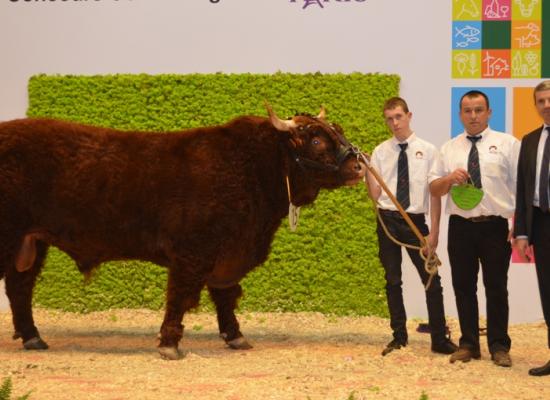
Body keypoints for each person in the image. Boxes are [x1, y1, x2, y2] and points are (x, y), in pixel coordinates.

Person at [429, 90, 520, 367]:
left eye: (479, 110)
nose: (473, 116)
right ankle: (469, 343)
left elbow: (520, 187)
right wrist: (448, 179)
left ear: (489, 112)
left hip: (495, 227)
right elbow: (434, 189)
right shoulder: (448, 148)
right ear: (460, 115)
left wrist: (518, 225)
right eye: (467, 111)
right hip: (460, 227)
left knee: (496, 287)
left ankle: (499, 346)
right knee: (463, 286)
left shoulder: (508, 144)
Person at [365, 97, 457, 356]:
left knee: (432, 279)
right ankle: (399, 337)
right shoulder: (380, 152)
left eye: (398, 117)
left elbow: (435, 195)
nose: (394, 123)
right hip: (387, 219)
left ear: (409, 115)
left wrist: (434, 233)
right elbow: (374, 195)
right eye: (389, 119)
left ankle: (439, 339)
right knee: (392, 280)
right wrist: (366, 173)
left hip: (415, 222)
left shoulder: (428, 151)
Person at [513, 80, 550, 377]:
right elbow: (523, 188)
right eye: (541, 101)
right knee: (548, 293)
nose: (546, 105)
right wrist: (522, 232)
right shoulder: (529, 140)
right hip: (541, 224)